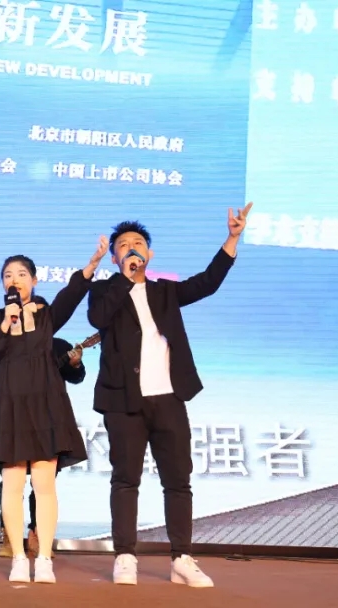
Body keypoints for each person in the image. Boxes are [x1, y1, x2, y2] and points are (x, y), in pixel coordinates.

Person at [87, 203, 252, 588]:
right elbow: (98, 319)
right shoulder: (104, 290)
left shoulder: (165, 292)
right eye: (124, 245)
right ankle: (125, 556)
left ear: (150, 253)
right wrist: (126, 281)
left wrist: (232, 238)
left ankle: (182, 558)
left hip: (169, 399)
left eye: (138, 244)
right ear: (114, 257)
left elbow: (207, 282)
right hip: (123, 401)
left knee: (178, 481)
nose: (132, 248)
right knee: (125, 480)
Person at [0, 239, 108, 584]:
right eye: (8, 275)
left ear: (34, 281)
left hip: (45, 403)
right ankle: (19, 558)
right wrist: (7, 323)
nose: (14, 279)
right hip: (9, 405)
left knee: (44, 483)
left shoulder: (47, 316)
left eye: (22, 274)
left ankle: (45, 557)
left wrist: (92, 263)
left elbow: (72, 294)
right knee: (12, 484)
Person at [0, 338, 86, 560]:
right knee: (11, 480)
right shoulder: (6, 341)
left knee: (43, 483)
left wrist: (75, 365)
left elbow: (76, 377)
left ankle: (37, 535)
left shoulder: (58, 345)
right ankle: (9, 535)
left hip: (47, 422)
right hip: (14, 417)